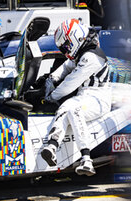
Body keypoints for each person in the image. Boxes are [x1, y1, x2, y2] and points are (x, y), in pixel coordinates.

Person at [41, 19, 112, 176]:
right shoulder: (83, 52)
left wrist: (50, 96)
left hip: (99, 99)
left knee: (74, 111)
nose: (65, 51)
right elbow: (66, 67)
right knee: (64, 108)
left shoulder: (91, 57)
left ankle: (86, 160)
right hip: (85, 96)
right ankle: (52, 147)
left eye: (66, 46)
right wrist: (50, 79)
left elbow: (71, 83)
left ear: (75, 37)